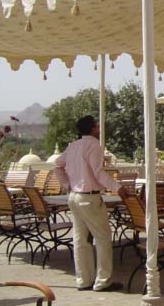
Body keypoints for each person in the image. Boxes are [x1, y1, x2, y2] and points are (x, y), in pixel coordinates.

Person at [55, 115, 126, 292]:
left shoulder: (73, 146)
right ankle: (103, 281)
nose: (98, 128)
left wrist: (67, 184)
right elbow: (98, 172)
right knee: (102, 238)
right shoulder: (93, 145)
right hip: (88, 197)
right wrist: (117, 188)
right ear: (93, 128)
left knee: (80, 240)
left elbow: (57, 165)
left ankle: (83, 280)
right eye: (96, 125)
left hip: (74, 196)